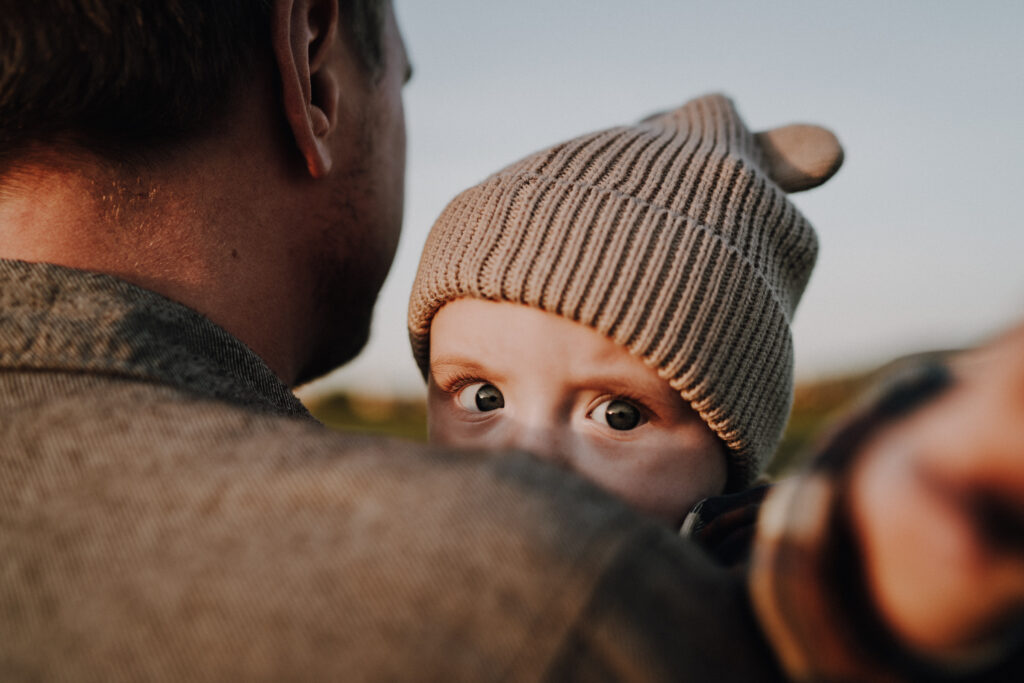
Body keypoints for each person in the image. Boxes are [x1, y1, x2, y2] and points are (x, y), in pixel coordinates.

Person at [1, 2, 1022, 681]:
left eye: (621, 411)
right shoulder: (542, 603)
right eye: (479, 395)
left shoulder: (735, 564)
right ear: (313, 61)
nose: (526, 463)